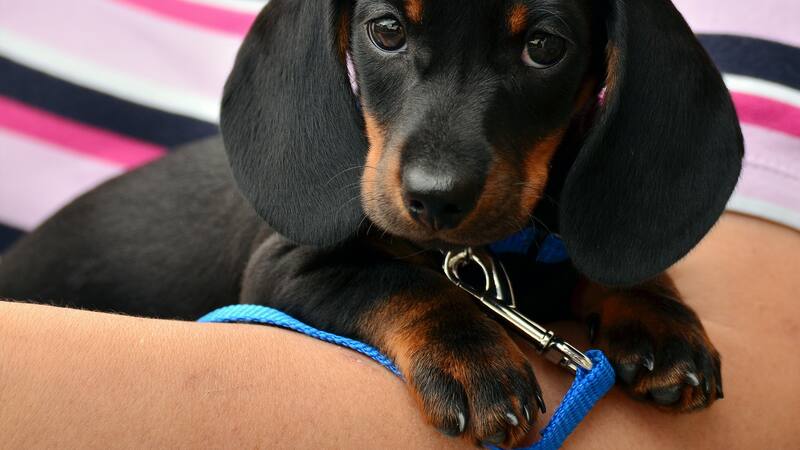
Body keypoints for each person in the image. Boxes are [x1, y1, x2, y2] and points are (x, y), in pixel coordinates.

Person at [2, 212, 798, 448]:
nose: (437, 173)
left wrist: (635, 290)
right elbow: (294, 270)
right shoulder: (332, 179)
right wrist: (428, 318)